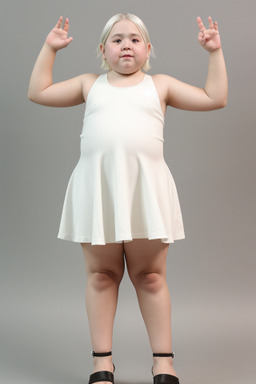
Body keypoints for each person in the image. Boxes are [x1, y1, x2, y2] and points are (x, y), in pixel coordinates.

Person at [28, 12, 228, 384]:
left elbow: (215, 98)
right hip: (98, 189)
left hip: (145, 190)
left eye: (134, 39)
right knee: (102, 276)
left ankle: (163, 364)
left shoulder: (160, 85)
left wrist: (214, 53)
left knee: (151, 276)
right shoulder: (90, 84)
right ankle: (102, 364)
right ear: (103, 50)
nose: (126, 45)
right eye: (117, 39)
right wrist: (49, 48)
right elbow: (38, 92)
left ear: (147, 49)